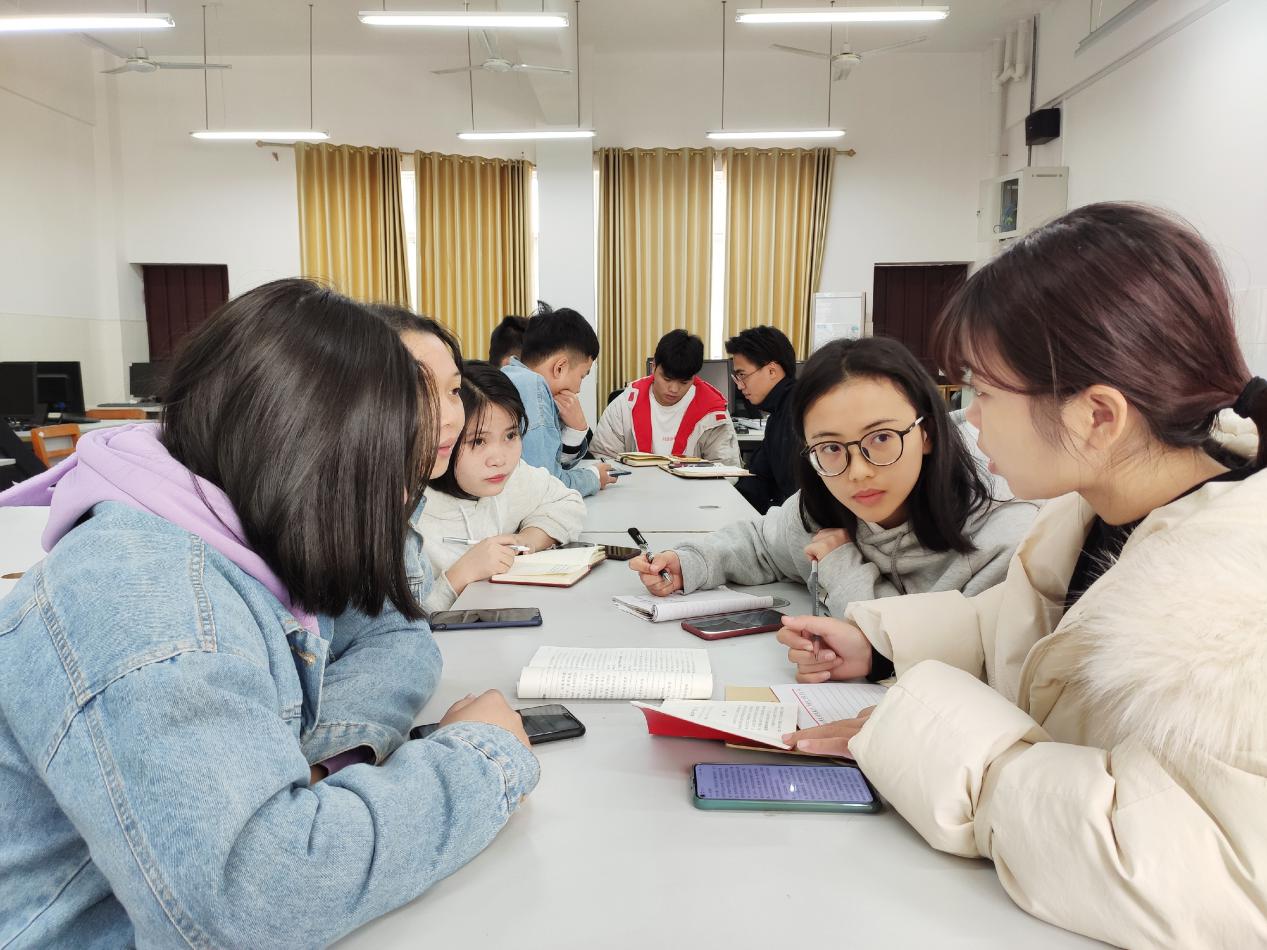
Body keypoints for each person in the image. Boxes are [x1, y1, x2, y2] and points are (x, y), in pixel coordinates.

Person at [779, 203, 1267, 948]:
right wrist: (874, 645)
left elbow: (1196, 873)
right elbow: (1043, 642)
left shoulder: (1234, 600)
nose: (968, 419)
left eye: (985, 392)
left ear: (1095, 416)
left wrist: (916, 730)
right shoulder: (1104, 513)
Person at [0, 279, 538, 947]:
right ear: (313, 454)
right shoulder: (150, 603)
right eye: (387, 475)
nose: (396, 507)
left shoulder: (240, 526)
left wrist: (320, 762)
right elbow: (254, 900)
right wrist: (480, 760)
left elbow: (389, 629)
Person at [630, 337, 1038, 669]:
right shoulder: (823, 500)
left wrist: (842, 566)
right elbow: (762, 545)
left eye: (881, 438)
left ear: (926, 432)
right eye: (829, 447)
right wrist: (689, 563)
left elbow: (951, 661)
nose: (857, 471)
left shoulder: (1004, 537)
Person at [417, 360, 586, 613]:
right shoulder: (412, 513)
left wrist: (524, 540)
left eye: (510, 435)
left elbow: (568, 502)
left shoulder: (509, 477)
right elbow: (396, 629)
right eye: (478, 441)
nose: (499, 459)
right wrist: (459, 577)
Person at [502, 302, 614, 497]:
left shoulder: (512, 376)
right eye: (582, 376)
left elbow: (552, 463)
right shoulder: (533, 387)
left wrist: (575, 431)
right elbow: (546, 486)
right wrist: (594, 477)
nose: (578, 389)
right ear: (560, 367)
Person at [591, 329, 741, 465]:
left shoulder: (713, 412)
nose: (674, 389)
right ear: (654, 367)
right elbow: (603, 458)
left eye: (684, 382)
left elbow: (727, 470)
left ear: (694, 376)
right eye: (667, 379)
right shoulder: (626, 404)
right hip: (637, 491)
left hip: (693, 493)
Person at [726, 326, 798, 512]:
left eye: (742, 375)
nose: (740, 386)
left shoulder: (799, 413)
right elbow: (759, 478)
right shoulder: (779, 414)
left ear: (772, 371)